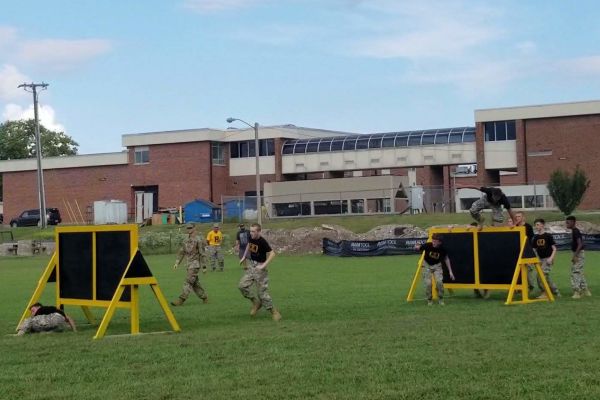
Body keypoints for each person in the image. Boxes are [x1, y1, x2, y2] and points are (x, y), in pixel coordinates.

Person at [238, 223, 282, 321]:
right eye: (251, 231)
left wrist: (263, 265)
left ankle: (274, 312)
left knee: (262, 294)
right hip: (251, 267)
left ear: (259, 232)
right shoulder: (251, 237)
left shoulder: (262, 242)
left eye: (253, 231)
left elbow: (272, 254)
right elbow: (248, 245)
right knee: (242, 286)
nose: (251, 233)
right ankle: (256, 303)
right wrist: (244, 257)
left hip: (260, 269)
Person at [171, 224, 208, 306]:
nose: (189, 229)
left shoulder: (198, 240)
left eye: (190, 228)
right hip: (188, 264)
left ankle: (181, 299)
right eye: (187, 228)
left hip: (195, 265)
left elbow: (202, 253)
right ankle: (204, 297)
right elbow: (181, 252)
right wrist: (177, 263)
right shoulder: (185, 240)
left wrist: (204, 266)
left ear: (194, 228)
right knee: (195, 283)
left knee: (188, 281)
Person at [415, 233, 455, 306]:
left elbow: (446, 259)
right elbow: (418, 248)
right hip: (426, 265)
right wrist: (416, 247)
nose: (433, 242)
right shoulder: (428, 245)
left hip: (437, 266)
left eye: (435, 241)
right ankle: (429, 299)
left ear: (440, 242)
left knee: (439, 282)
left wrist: (450, 272)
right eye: (433, 240)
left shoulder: (442, 249)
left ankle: (441, 298)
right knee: (428, 283)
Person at [531, 218, 560, 299]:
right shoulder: (535, 237)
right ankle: (555, 291)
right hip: (540, 259)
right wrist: (536, 259)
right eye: (535, 225)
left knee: (541, 276)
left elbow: (554, 248)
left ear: (542, 225)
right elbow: (534, 249)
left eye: (538, 224)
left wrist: (551, 258)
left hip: (547, 259)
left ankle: (544, 293)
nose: (536, 226)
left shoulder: (548, 236)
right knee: (546, 277)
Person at [566, 216, 591, 299]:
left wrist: (575, 255)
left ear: (573, 222)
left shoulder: (576, 231)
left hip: (578, 254)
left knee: (575, 272)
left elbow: (580, 244)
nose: (567, 224)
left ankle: (577, 292)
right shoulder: (574, 231)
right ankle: (586, 290)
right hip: (577, 253)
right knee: (579, 271)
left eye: (568, 222)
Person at [514, 211, 536, 293]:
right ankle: (519, 287)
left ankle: (531, 286)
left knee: (528, 270)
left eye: (519, 216)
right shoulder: (515, 227)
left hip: (527, 251)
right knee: (517, 270)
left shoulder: (528, 227)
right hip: (517, 251)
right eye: (516, 216)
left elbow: (531, 239)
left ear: (523, 217)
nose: (517, 218)